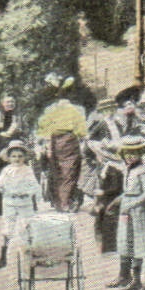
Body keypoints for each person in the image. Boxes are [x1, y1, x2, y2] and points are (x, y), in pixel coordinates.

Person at [109, 135, 145, 290]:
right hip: (128, 211)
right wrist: (117, 201)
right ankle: (135, 280)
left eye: (134, 153)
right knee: (130, 244)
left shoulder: (143, 171)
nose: (130, 157)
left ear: (140, 154)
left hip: (142, 212)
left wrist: (131, 204)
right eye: (127, 154)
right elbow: (128, 192)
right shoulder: (129, 170)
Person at [35, 75, 87, 212]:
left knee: (57, 171)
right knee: (69, 172)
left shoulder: (51, 109)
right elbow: (82, 132)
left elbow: (43, 129)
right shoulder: (77, 110)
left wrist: (46, 145)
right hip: (69, 141)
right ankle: (65, 202)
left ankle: (59, 202)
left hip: (54, 142)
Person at [0, 140, 41, 269]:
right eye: (14, 156)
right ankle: (3, 256)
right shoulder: (6, 171)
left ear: (24, 157)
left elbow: (35, 186)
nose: (17, 159)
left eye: (20, 156)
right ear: (9, 158)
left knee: (27, 226)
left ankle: (31, 254)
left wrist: (27, 193)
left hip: (24, 203)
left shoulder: (27, 170)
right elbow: (0, 184)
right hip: (10, 202)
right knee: (8, 228)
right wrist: (1, 189)